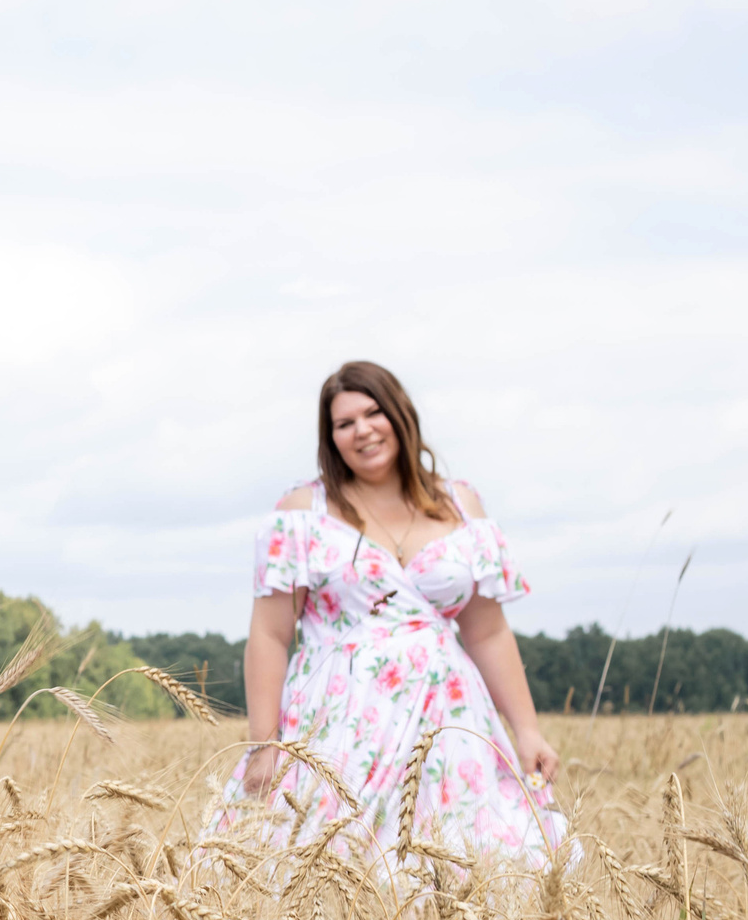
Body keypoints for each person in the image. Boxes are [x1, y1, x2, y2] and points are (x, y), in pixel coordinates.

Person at [217, 360, 576, 870]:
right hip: (339, 726)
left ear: (400, 415)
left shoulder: (460, 504)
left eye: (373, 412)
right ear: (332, 438)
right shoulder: (304, 511)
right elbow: (270, 635)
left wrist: (528, 730)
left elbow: (488, 632)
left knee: (472, 868)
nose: (362, 430)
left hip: (448, 724)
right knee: (326, 868)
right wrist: (264, 743)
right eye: (344, 423)